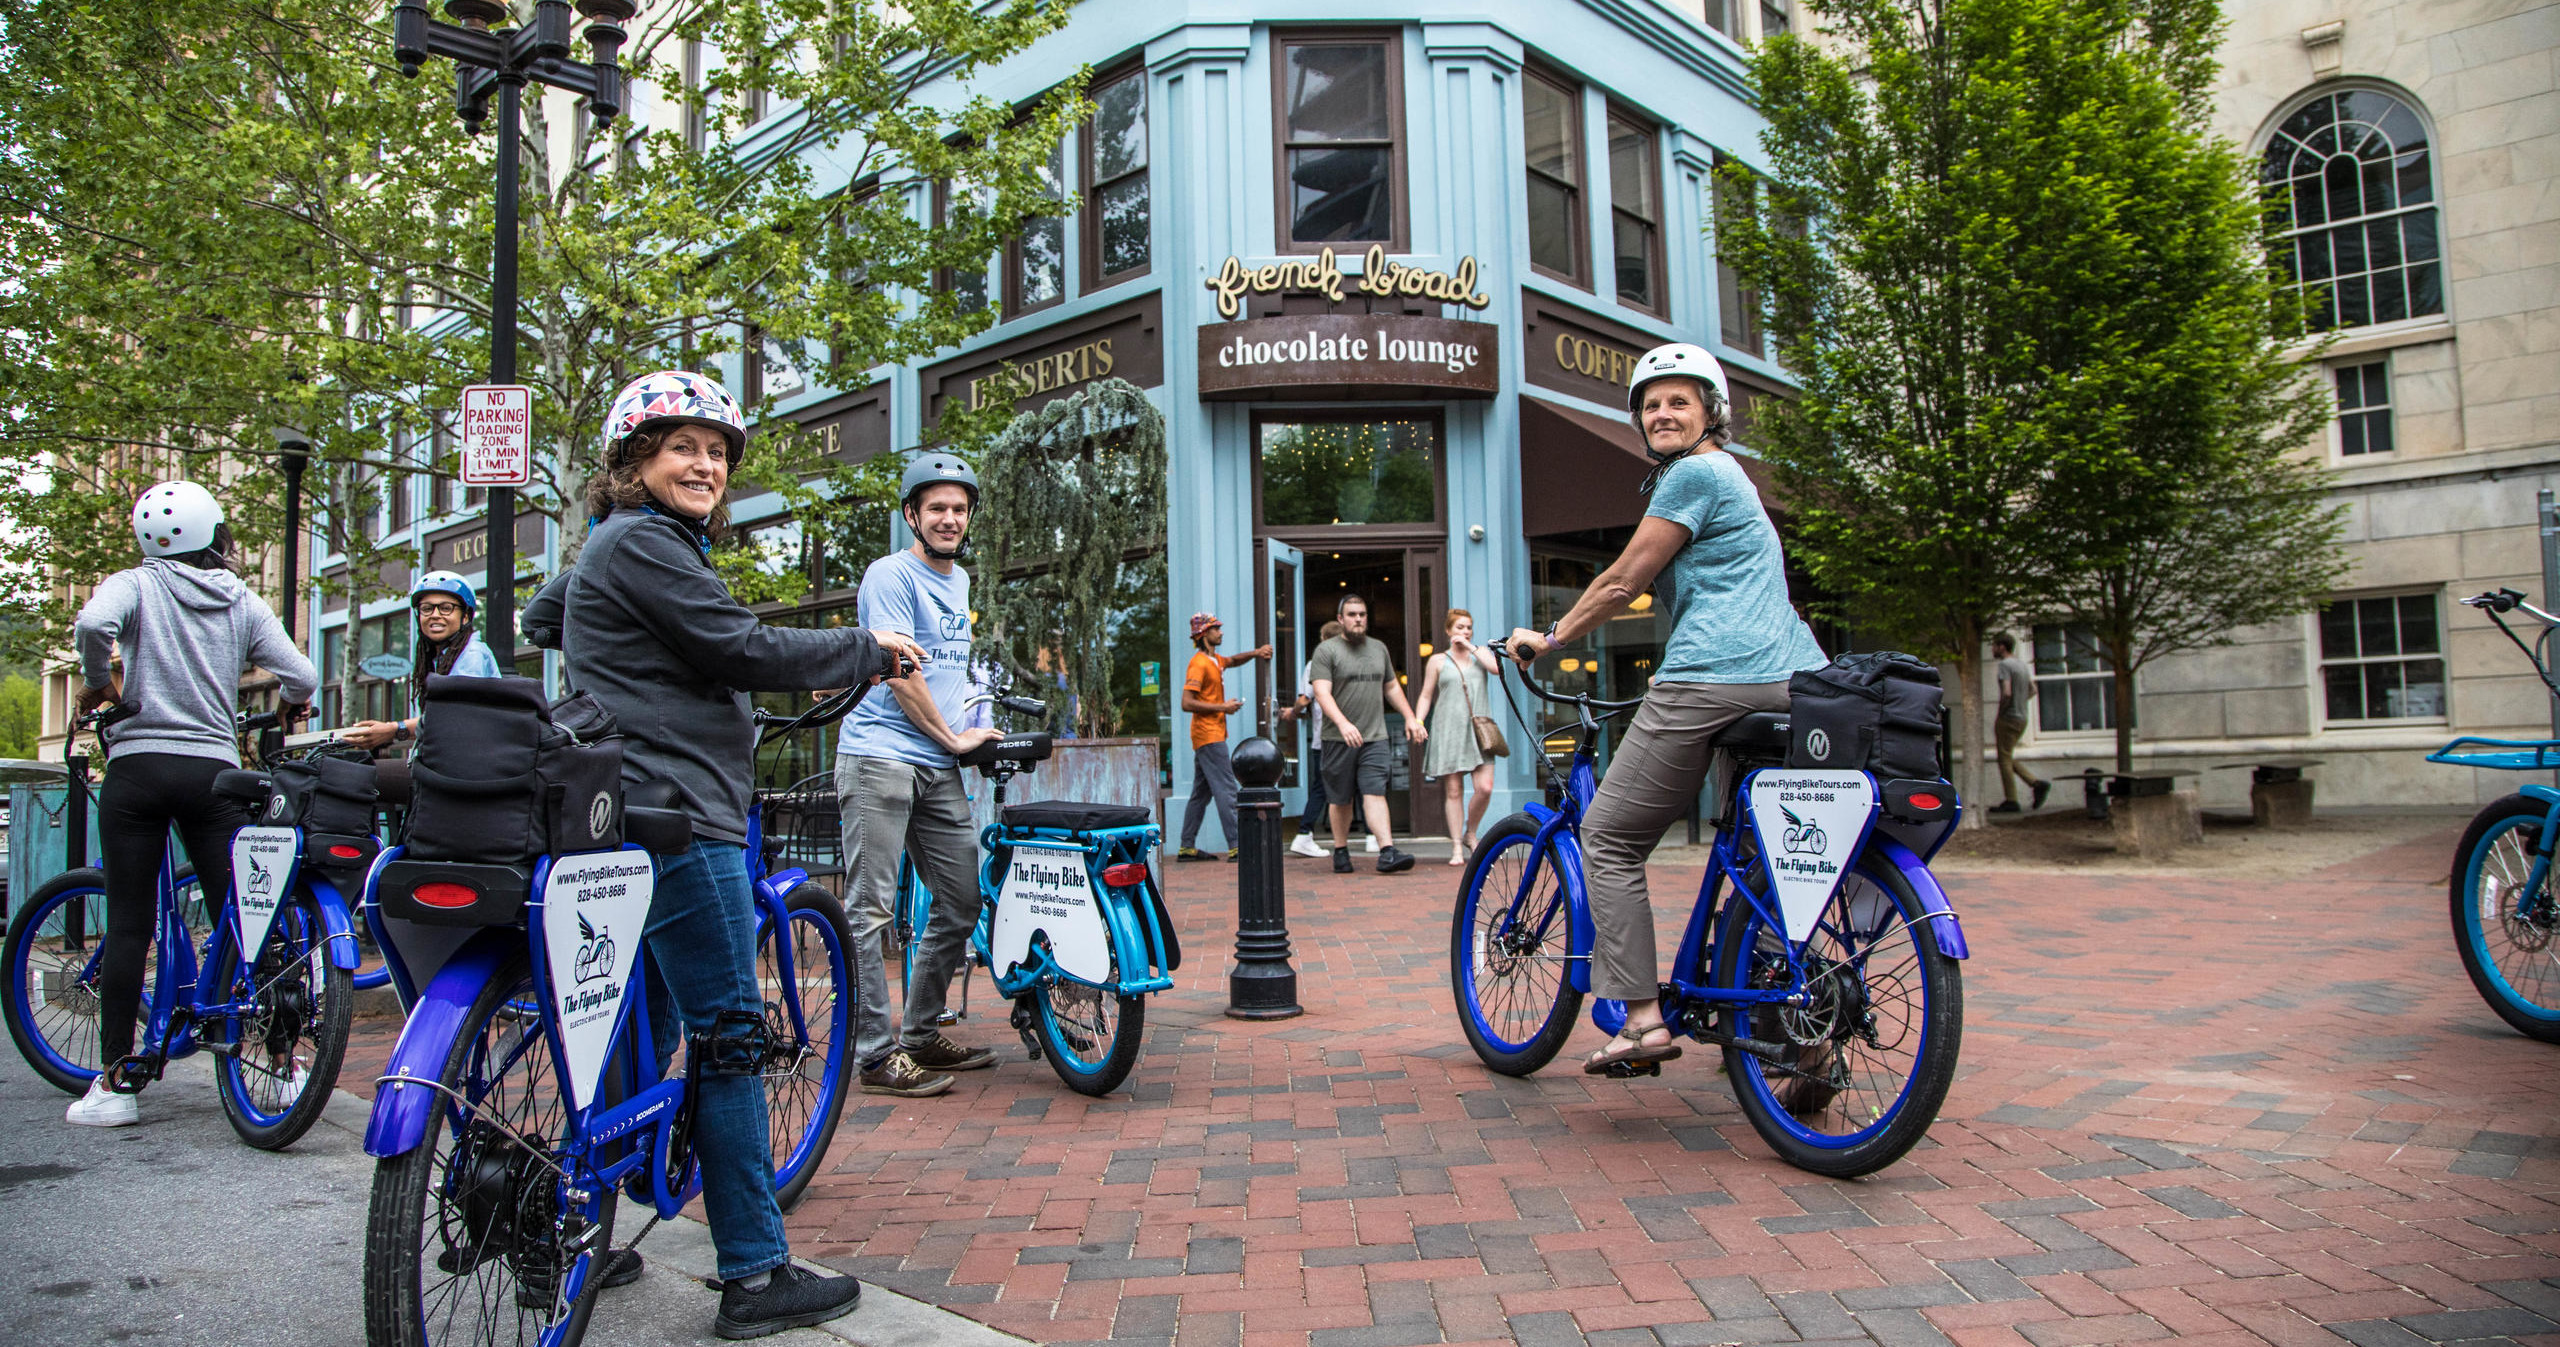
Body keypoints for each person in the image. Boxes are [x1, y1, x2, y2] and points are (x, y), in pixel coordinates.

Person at [555, 370, 923, 1338]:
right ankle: (756, 1273)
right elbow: (742, 649)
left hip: (630, 809)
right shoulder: (643, 541)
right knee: (728, 1034)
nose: (705, 464)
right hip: (679, 814)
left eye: (718, 452)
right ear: (634, 461)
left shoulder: (621, 545)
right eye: (682, 447)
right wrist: (867, 651)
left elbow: (551, 614)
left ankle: (567, 1223)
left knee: (643, 1017)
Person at [1504, 342, 1826, 1075]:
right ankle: (1778, 1023)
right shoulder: (1733, 481)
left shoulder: (1695, 474)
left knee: (1610, 839)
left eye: (1679, 400)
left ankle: (1642, 1021)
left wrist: (1549, 638)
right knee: (1758, 851)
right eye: (1651, 404)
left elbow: (1624, 581)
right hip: (1795, 680)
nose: (1662, 413)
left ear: (1711, 413)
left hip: (1711, 676)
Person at [68, 482, 318, 1127]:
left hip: (138, 768)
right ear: (216, 535)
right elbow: (304, 676)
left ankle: (117, 1086)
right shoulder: (241, 599)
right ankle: (283, 1064)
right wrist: (289, 703)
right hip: (212, 772)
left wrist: (101, 684)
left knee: (128, 925)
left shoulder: (137, 585)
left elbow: (94, 623)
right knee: (243, 918)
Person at [835, 453, 1007, 1101]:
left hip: (937, 763)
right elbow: (901, 672)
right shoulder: (890, 574)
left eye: (959, 508)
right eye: (936, 507)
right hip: (880, 754)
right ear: (911, 514)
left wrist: (975, 725)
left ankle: (921, 1030)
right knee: (871, 908)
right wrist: (952, 736)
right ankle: (876, 1054)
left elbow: (947, 674)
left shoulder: (959, 580)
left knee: (961, 899)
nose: (949, 518)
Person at [1308, 593, 1425, 874]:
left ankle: (1387, 852)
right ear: (1340, 619)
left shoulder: (1378, 648)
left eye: (1362, 614)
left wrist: (1410, 717)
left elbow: (1391, 687)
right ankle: (1340, 849)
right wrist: (1343, 723)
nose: (1358, 619)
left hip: (1375, 736)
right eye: (1352, 614)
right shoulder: (1326, 651)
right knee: (1341, 798)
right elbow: (1321, 692)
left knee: (1374, 791)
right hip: (1338, 738)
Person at [340, 570, 502, 751]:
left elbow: (455, 717)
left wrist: (395, 730)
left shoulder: (472, 655)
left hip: (471, 768)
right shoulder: (441, 658)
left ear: (465, 616)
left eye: (446, 608)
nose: (435, 614)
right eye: (427, 608)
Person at [1176, 612, 1272, 861]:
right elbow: (1186, 702)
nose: (1221, 632)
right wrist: (1223, 708)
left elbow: (1233, 660)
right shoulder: (1198, 663)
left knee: (1201, 793)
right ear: (1203, 634)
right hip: (1209, 736)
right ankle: (1238, 845)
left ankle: (1187, 847)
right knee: (1227, 789)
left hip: (1209, 736)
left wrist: (1256, 653)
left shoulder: (1214, 660)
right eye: (1216, 628)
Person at [1413, 608, 1501, 867]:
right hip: (1448, 729)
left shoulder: (1480, 654)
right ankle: (1455, 846)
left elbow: (1496, 669)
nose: (1465, 631)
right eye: (1460, 627)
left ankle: (1470, 832)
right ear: (1448, 630)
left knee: (1485, 787)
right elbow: (1426, 695)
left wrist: (1472, 647)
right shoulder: (1438, 661)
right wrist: (1419, 721)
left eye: (1469, 627)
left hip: (1479, 730)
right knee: (1453, 790)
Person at [1283, 619, 1344, 859]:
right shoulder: (1336, 662)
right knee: (1346, 785)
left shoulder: (1315, 663)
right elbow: (1307, 699)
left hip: (1325, 736)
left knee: (1324, 786)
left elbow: (1304, 699)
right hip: (1334, 735)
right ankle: (1304, 834)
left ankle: (1304, 833)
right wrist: (1295, 710)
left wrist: (1292, 712)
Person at [1990, 633, 2049, 813]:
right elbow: (2032, 690)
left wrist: (2003, 710)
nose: (1992, 649)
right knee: (2006, 755)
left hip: (2009, 717)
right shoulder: (2021, 664)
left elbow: (2006, 692)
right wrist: (2020, 702)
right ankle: (2035, 783)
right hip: (2022, 718)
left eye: (1994, 645)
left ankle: (2012, 800)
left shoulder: (2005, 665)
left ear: (2002, 647)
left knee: (2004, 759)